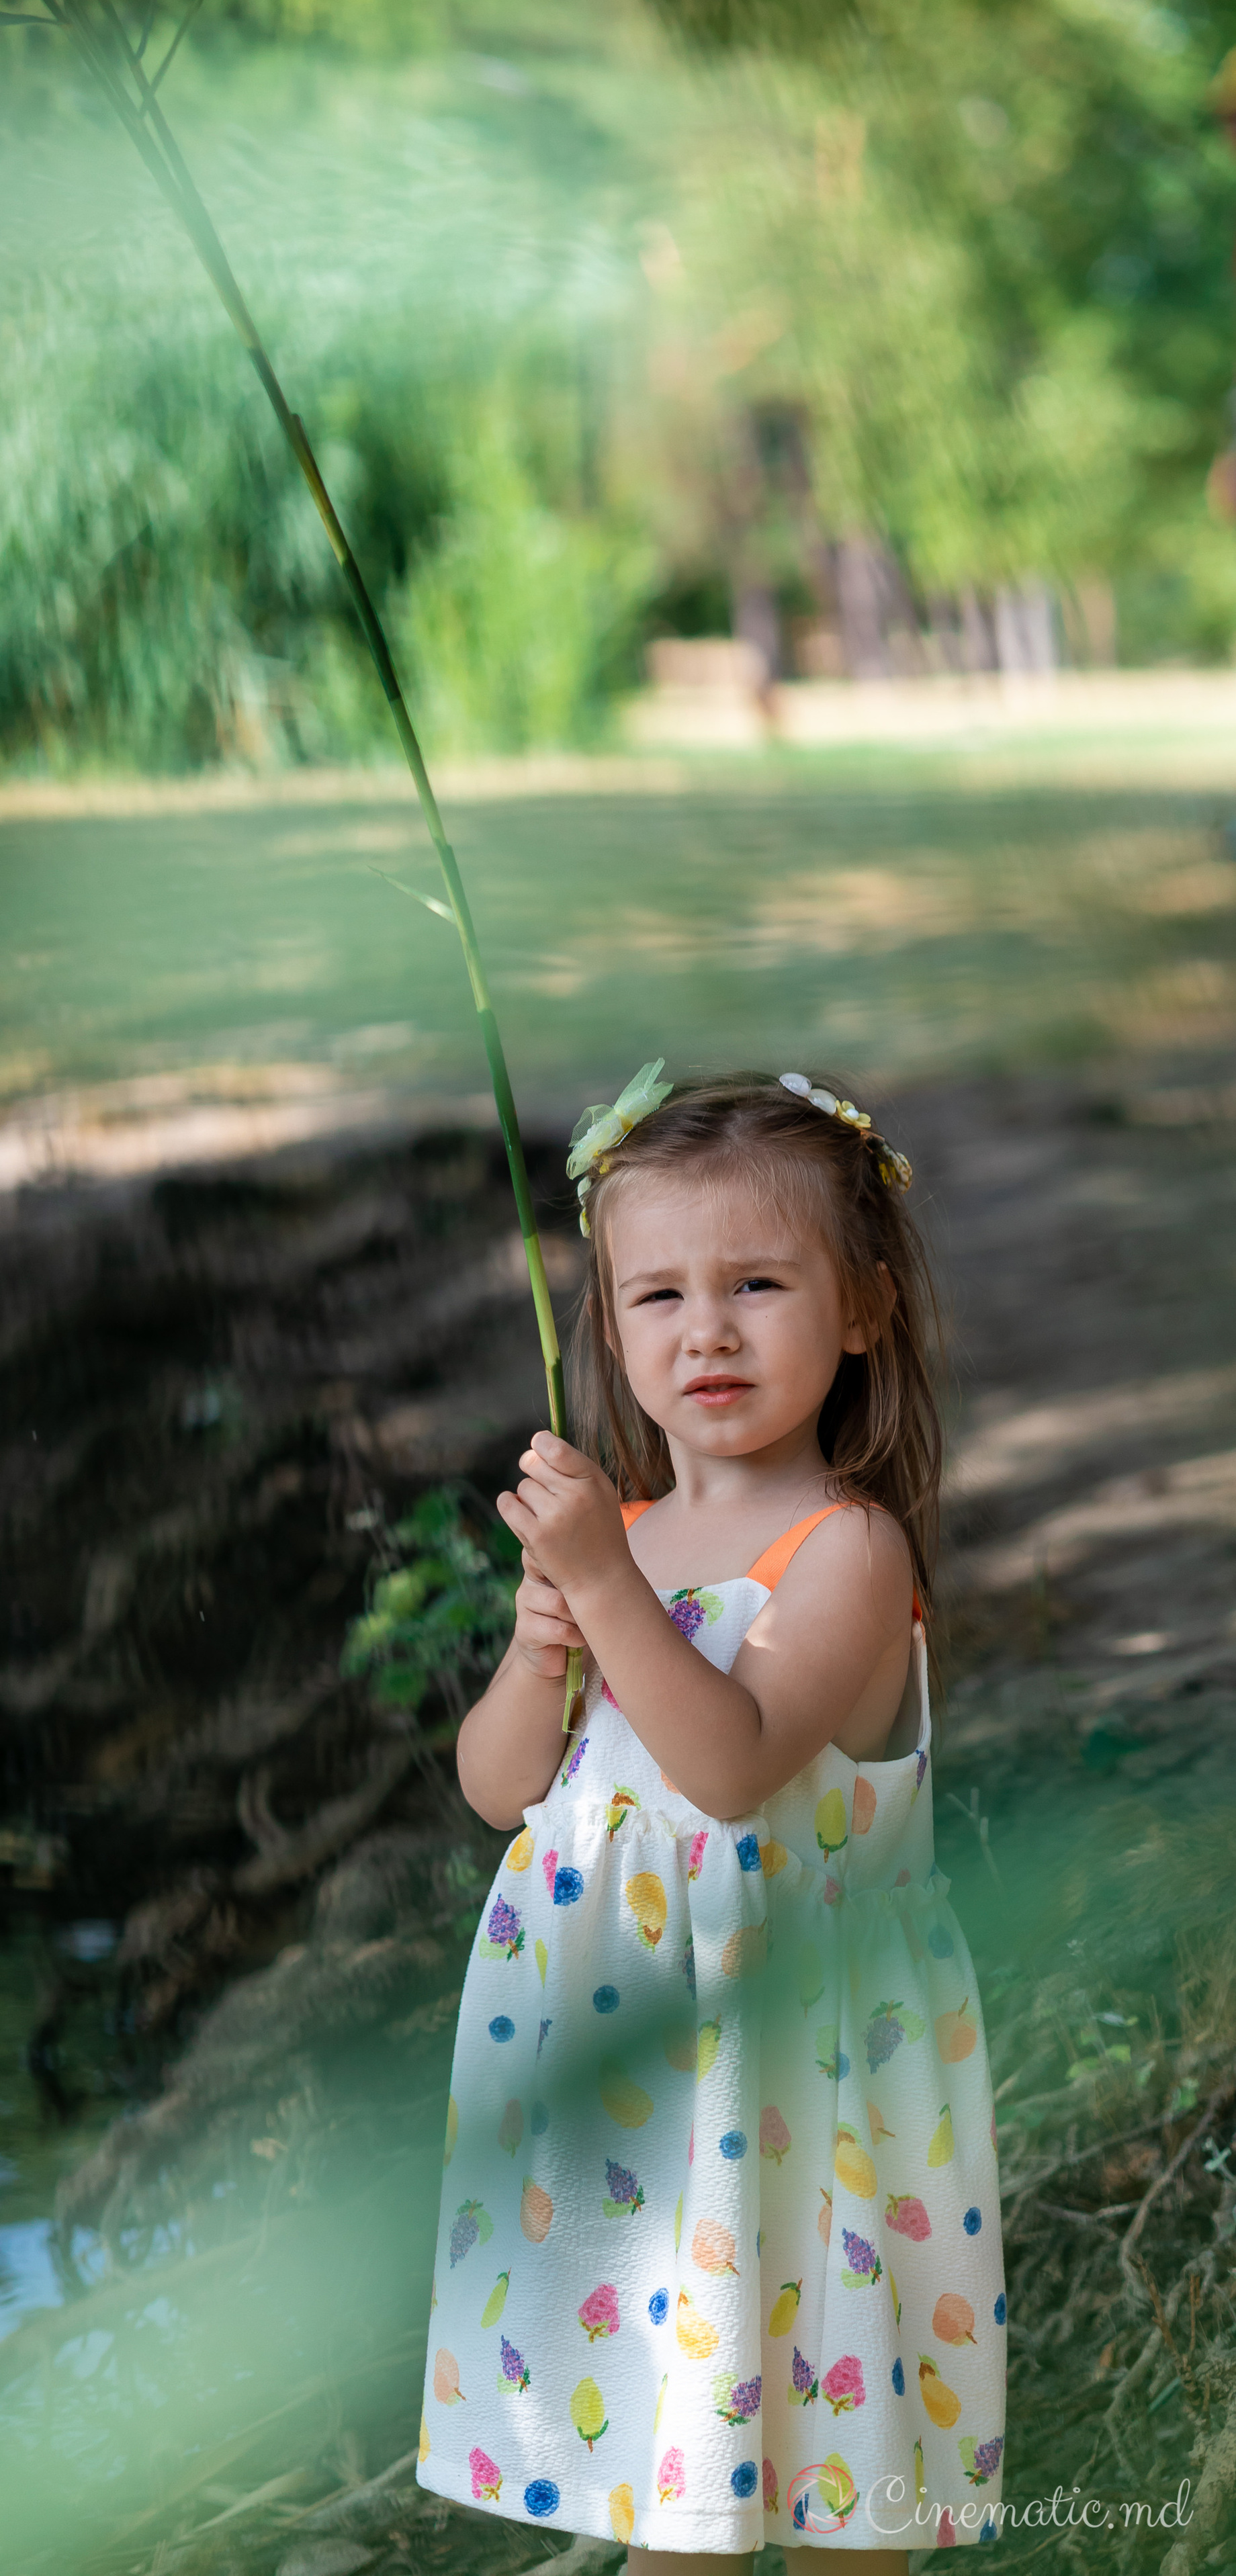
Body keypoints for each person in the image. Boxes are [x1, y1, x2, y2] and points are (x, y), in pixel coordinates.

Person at [414, 1067, 1005, 2567]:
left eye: (757, 1283)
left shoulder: (845, 1549)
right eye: (659, 1294)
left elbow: (728, 1768)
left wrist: (606, 1590)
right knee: (668, 2484)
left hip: (800, 2080)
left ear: (862, 1309)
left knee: (835, 2468)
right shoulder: (614, 1538)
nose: (709, 1331)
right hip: (632, 2084)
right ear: (609, 1330)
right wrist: (542, 1639)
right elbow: (501, 1790)